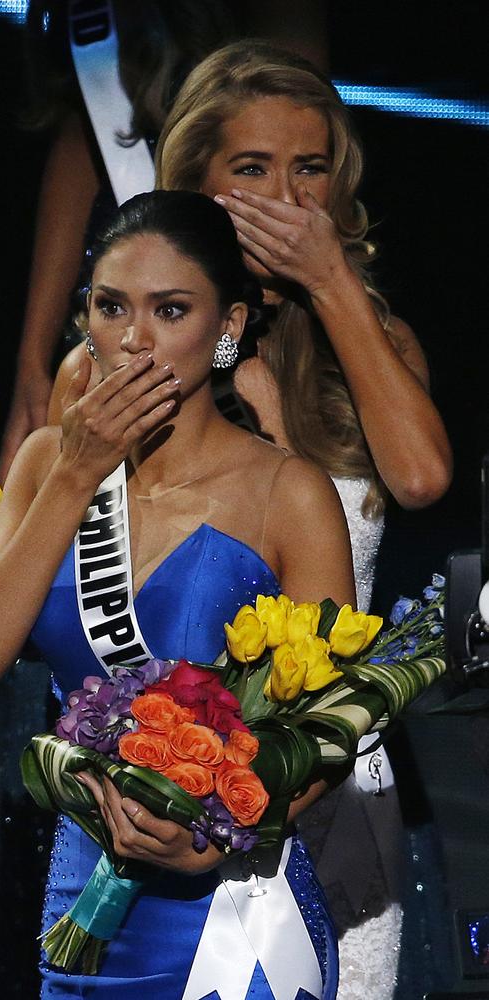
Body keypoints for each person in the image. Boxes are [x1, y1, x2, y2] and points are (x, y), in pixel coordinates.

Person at [47, 42, 453, 998]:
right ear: (195, 183)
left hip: (330, 781)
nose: (286, 196)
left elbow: (425, 478)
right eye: (252, 169)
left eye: (308, 169)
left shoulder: (376, 344)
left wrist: (330, 281)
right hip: (159, 796)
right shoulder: (109, 367)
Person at [0, 190, 355, 998]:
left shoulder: (288, 492)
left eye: (170, 310)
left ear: (229, 327)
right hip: (86, 906)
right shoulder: (46, 465)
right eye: (110, 308)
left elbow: (334, 724)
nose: (134, 340)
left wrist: (224, 827)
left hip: (236, 915)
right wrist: (74, 470)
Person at [0, 1, 330, 482]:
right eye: (254, 168)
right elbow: (79, 129)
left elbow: (298, 112)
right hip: (129, 295)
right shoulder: (89, 360)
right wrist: (32, 366)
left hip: (270, 327)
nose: (283, 187)